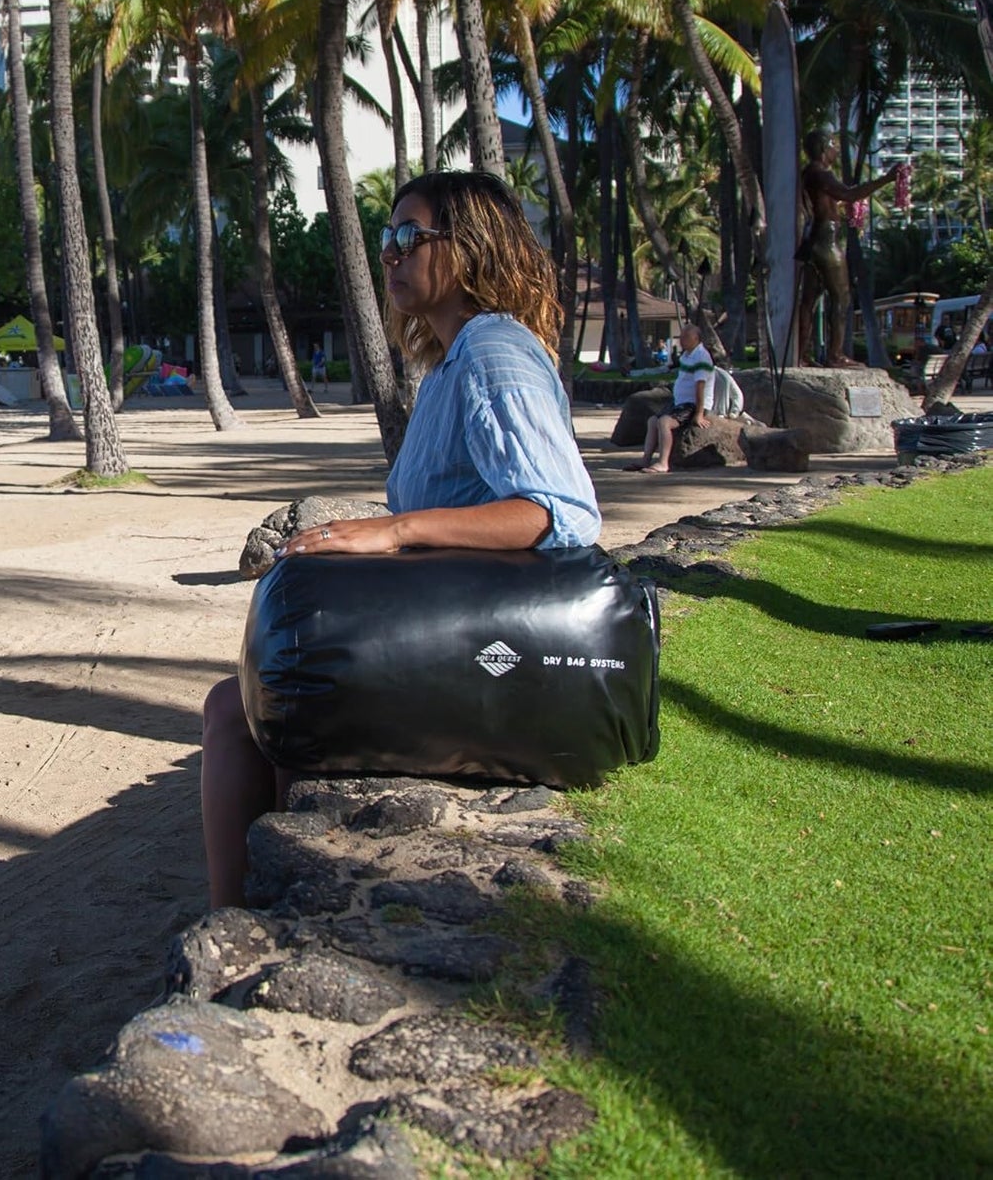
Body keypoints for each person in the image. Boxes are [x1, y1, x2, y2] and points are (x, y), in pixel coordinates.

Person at [201, 170, 602, 908]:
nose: (388, 253)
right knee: (244, 703)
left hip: (481, 654)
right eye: (385, 239)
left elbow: (558, 511)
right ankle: (245, 914)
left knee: (268, 708)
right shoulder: (453, 361)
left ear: (469, 246)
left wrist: (394, 531)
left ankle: (252, 916)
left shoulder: (493, 351)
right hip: (457, 631)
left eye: (406, 237)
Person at [799, 132, 900, 367]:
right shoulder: (819, 173)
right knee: (841, 297)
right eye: (833, 145)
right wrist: (887, 178)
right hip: (826, 238)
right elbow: (848, 194)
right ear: (824, 148)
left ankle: (801, 354)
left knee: (809, 300)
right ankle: (835, 355)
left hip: (814, 237)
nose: (836, 149)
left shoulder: (809, 173)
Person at [628, 324, 714, 474]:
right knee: (652, 421)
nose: (681, 340)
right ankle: (645, 459)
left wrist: (699, 413)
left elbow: (700, 386)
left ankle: (663, 462)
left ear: (696, 338)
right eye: (681, 337)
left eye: (685, 337)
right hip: (680, 402)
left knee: (664, 422)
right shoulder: (686, 355)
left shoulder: (701, 357)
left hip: (692, 404)